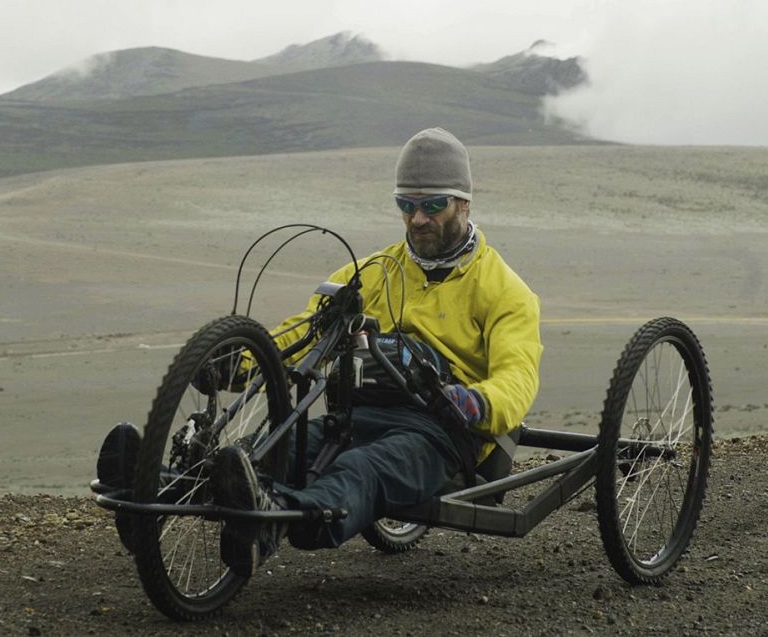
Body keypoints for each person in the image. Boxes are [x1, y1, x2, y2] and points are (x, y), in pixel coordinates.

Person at [211, 126, 542, 576]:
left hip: (439, 433)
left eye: (432, 205)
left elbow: (517, 378)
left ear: (464, 203)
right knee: (262, 454)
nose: (417, 219)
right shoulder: (371, 273)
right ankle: (158, 496)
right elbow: (304, 333)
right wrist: (238, 361)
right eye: (405, 205)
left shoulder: (505, 291)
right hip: (355, 418)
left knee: (361, 469)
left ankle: (282, 522)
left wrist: (474, 401)